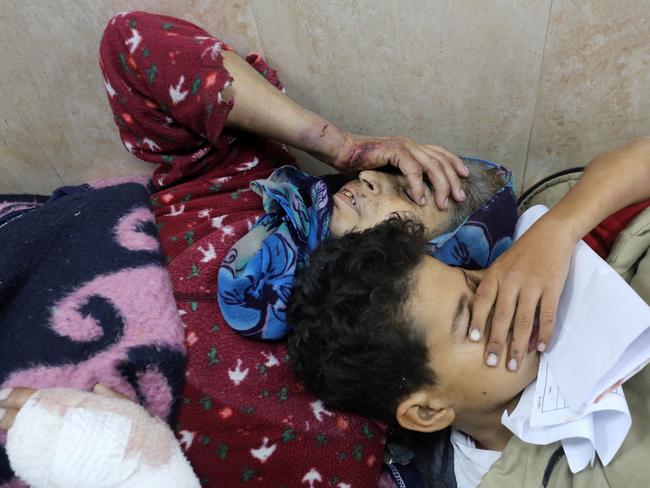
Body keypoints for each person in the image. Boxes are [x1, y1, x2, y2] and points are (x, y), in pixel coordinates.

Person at [286, 214, 650, 488]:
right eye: (468, 322)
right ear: (428, 411)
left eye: (472, 283)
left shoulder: (559, 277)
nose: (499, 304)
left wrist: (560, 227)